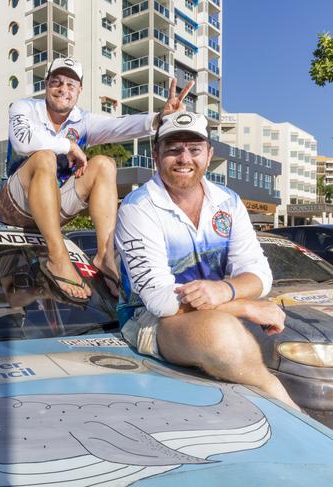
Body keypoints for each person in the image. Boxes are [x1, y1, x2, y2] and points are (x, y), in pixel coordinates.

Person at [115, 111, 299, 410]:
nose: (184, 158)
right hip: (149, 320)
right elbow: (160, 302)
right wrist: (244, 304)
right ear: (156, 155)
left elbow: (259, 275)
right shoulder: (138, 208)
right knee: (220, 334)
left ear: (209, 154)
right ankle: (296, 416)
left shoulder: (228, 201)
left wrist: (224, 290)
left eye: (194, 149)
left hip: (212, 311)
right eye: (173, 149)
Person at [0, 57, 193, 304]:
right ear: (46, 85)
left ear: (79, 90)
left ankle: (104, 257)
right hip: (16, 205)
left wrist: (160, 118)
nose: (63, 89)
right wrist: (67, 145)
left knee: (104, 165)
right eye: (56, 82)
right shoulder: (24, 108)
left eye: (70, 84)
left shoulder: (83, 120)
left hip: (54, 207)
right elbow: (23, 140)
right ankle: (57, 256)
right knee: (43, 158)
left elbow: (121, 126)